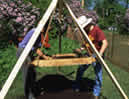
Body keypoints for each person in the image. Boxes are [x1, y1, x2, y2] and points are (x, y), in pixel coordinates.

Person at [75, 16, 108, 99]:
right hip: (89, 53)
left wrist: (99, 55)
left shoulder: (97, 30)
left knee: (98, 75)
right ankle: (77, 86)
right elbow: (87, 43)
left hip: (97, 54)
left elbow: (105, 43)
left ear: (87, 24)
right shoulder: (86, 31)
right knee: (80, 69)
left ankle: (96, 93)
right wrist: (81, 48)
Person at [16, 24, 51, 99]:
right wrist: (44, 57)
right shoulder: (34, 32)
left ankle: (34, 91)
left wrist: (44, 55)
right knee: (27, 74)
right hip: (23, 52)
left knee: (33, 73)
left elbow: (36, 47)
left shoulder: (38, 34)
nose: (44, 29)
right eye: (43, 27)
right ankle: (29, 95)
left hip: (27, 52)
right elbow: (35, 48)